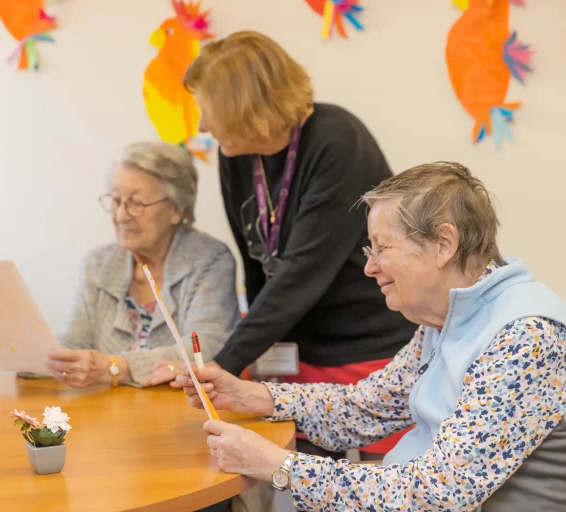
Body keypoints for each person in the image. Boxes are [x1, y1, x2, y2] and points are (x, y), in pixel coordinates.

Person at [175, 162, 566, 511]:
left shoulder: (527, 338)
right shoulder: (446, 320)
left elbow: (439, 495)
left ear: (443, 245)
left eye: (382, 248)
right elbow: (366, 409)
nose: (369, 267)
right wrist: (257, 397)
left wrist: (279, 467)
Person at [167, 29, 417, 461]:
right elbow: (256, 262)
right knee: (311, 488)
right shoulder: (236, 153)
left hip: (370, 349)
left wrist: (225, 363)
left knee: (382, 488)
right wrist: (249, 358)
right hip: (299, 350)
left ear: (244, 106)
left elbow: (302, 272)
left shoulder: (337, 140)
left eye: (209, 110)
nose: (203, 125)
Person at [45, 141, 240, 389]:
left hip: (182, 419)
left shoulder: (210, 261)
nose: (121, 216)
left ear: (177, 209)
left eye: (137, 203)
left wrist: (119, 368)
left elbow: (206, 349)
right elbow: (72, 343)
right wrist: (43, 357)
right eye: (116, 201)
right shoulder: (98, 264)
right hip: (105, 416)